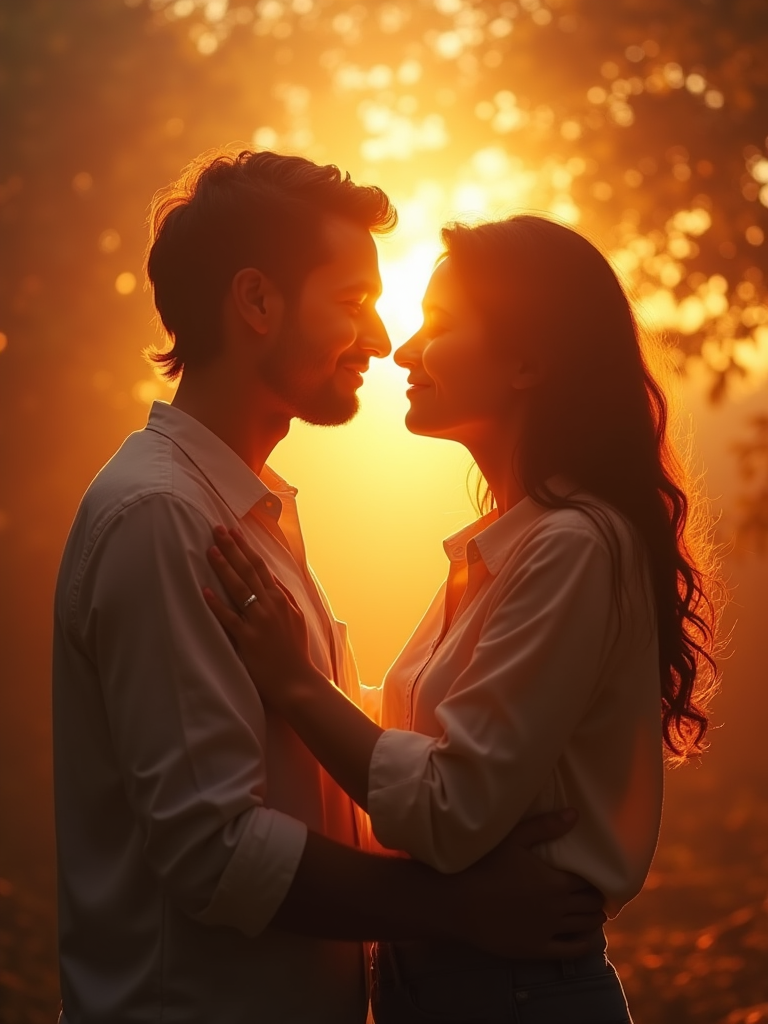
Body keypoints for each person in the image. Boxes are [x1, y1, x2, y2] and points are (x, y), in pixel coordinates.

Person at [52, 154, 604, 1024]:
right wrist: (458, 907)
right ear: (258, 302)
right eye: (353, 303)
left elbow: (324, 766)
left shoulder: (239, 513)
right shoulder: (161, 516)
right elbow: (217, 851)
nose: (381, 342)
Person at [204, 214, 720, 1023]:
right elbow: (428, 760)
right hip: (454, 986)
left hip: (514, 992)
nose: (405, 352)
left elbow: (447, 812)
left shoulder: (575, 548)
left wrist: (296, 686)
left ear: (526, 362)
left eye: (437, 326)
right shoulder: (506, 553)